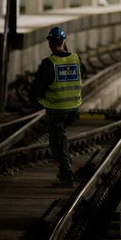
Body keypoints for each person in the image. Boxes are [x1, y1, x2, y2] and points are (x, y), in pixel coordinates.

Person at [30, 27, 83, 187]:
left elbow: (36, 89)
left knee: (56, 142)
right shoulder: (75, 58)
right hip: (73, 108)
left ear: (50, 44)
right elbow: (83, 71)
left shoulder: (49, 63)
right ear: (63, 42)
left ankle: (66, 174)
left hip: (56, 110)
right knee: (61, 137)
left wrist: (36, 102)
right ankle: (65, 166)